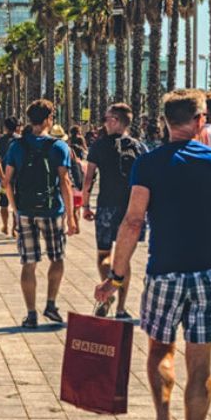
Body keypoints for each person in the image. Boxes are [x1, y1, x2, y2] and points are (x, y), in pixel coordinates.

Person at [95, 87, 211, 420]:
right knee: (200, 366)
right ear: (201, 120)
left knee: (159, 352)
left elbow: (133, 222)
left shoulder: (148, 164)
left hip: (164, 274)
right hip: (210, 277)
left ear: (165, 122)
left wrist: (115, 278)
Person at [3, 99, 78, 329]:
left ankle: (31, 313)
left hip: (25, 210)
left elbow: (7, 182)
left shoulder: (17, 146)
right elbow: (65, 182)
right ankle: (51, 304)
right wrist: (71, 215)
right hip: (52, 210)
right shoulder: (58, 147)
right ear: (48, 119)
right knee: (57, 258)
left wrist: (15, 211)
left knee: (29, 263)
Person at [82, 102, 145, 321]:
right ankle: (120, 308)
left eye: (106, 118)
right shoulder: (139, 147)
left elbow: (89, 177)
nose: (104, 122)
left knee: (103, 255)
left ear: (115, 120)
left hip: (107, 207)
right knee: (124, 257)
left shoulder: (98, 146)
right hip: (132, 209)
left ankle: (107, 294)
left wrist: (85, 205)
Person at [0, 116, 19, 235]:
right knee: (16, 203)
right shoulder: (20, 139)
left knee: (4, 202)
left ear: (5, 127)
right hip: (18, 176)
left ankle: (5, 226)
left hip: (4, 175)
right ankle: (14, 227)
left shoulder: (0, 140)